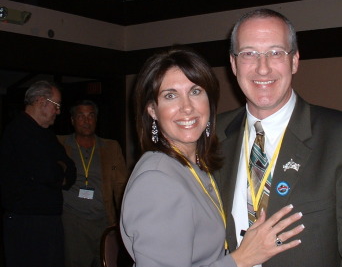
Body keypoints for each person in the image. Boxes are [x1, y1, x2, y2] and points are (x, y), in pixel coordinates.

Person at [215, 8, 342, 267]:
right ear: (233, 64)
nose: (262, 68)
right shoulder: (211, 134)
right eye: (249, 54)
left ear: (295, 60)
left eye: (275, 52)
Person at [120, 48, 305, 267]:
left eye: (195, 91)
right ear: (152, 109)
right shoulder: (157, 181)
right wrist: (241, 259)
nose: (187, 107)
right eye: (170, 95)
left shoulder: (194, 165)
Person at [0, 80, 76, 267]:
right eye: (56, 106)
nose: (58, 112)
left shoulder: (47, 135)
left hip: (47, 222)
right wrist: (59, 171)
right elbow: (46, 172)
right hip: (27, 224)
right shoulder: (19, 131)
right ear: (42, 102)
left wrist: (59, 170)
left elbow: (70, 169)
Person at [57, 100, 129, 267]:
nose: (86, 121)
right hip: (72, 221)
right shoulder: (60, 144)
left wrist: (122, 219)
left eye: (91, 116)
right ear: (73, 120)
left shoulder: (111, 147)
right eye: (81, 116)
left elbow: (121, 186)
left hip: (103, 220)